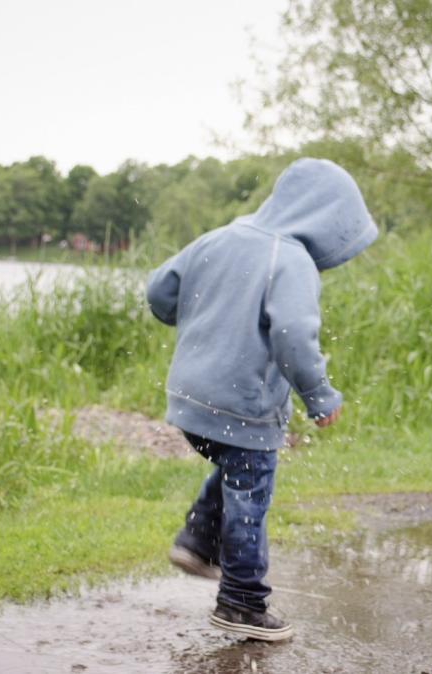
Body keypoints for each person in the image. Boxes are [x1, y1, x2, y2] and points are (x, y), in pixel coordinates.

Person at [145, 158, 377, 641]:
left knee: (236, 467)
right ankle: (242, 603)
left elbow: (159, 290)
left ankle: (198, 539)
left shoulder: (219, 237)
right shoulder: (288, 258)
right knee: (250, 491)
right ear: (324, 218)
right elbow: (293, 335)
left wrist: (197, 321)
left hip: (190, 398)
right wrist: (319, 396)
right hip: (243, 404)